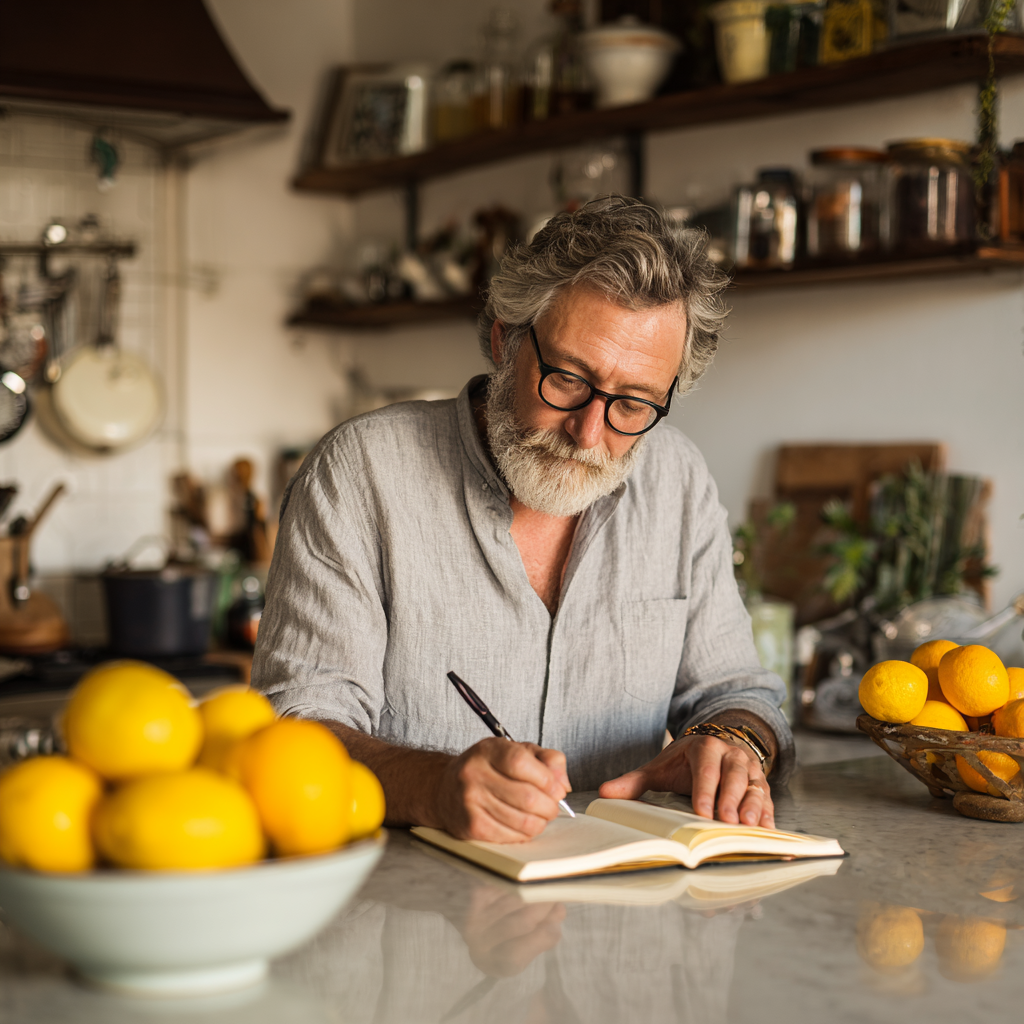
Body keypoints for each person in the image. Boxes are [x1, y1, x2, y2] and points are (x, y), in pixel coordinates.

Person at [252, 196, 792, 844]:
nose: (590, 433)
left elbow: (738, 692)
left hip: (617, 919)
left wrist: (731, 743)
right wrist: (433, 786)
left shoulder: (677, 479)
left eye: (635, 404)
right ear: (505, 338)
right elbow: (295, 731)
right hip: (410, 916)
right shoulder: (361, 472)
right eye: (567, 379)